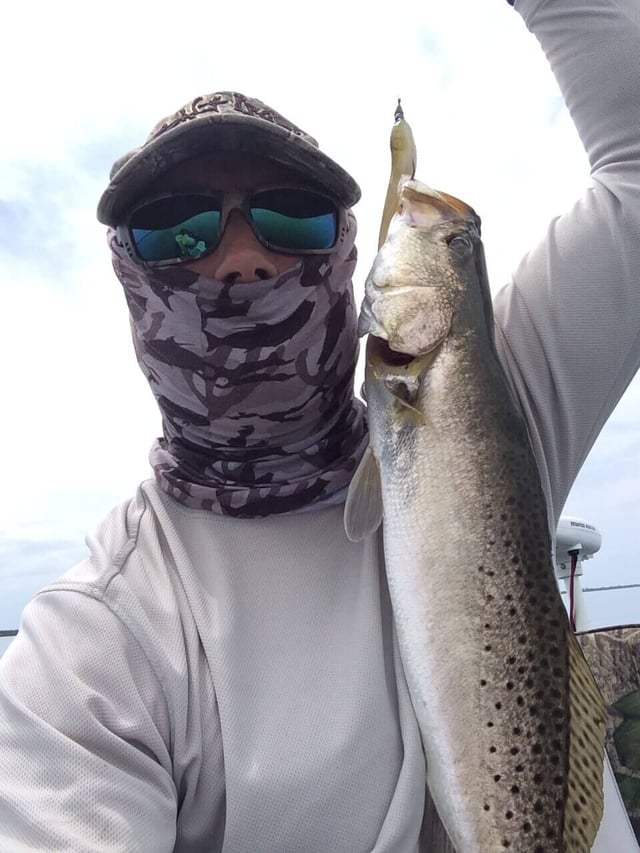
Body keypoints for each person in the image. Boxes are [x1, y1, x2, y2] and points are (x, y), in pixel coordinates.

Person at [1, 0, 639, 850]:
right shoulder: (90, 649)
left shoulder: (486, 404)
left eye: (291, 214)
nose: (241, 257)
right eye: (174, 230)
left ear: (347, 256)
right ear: (128, 278)